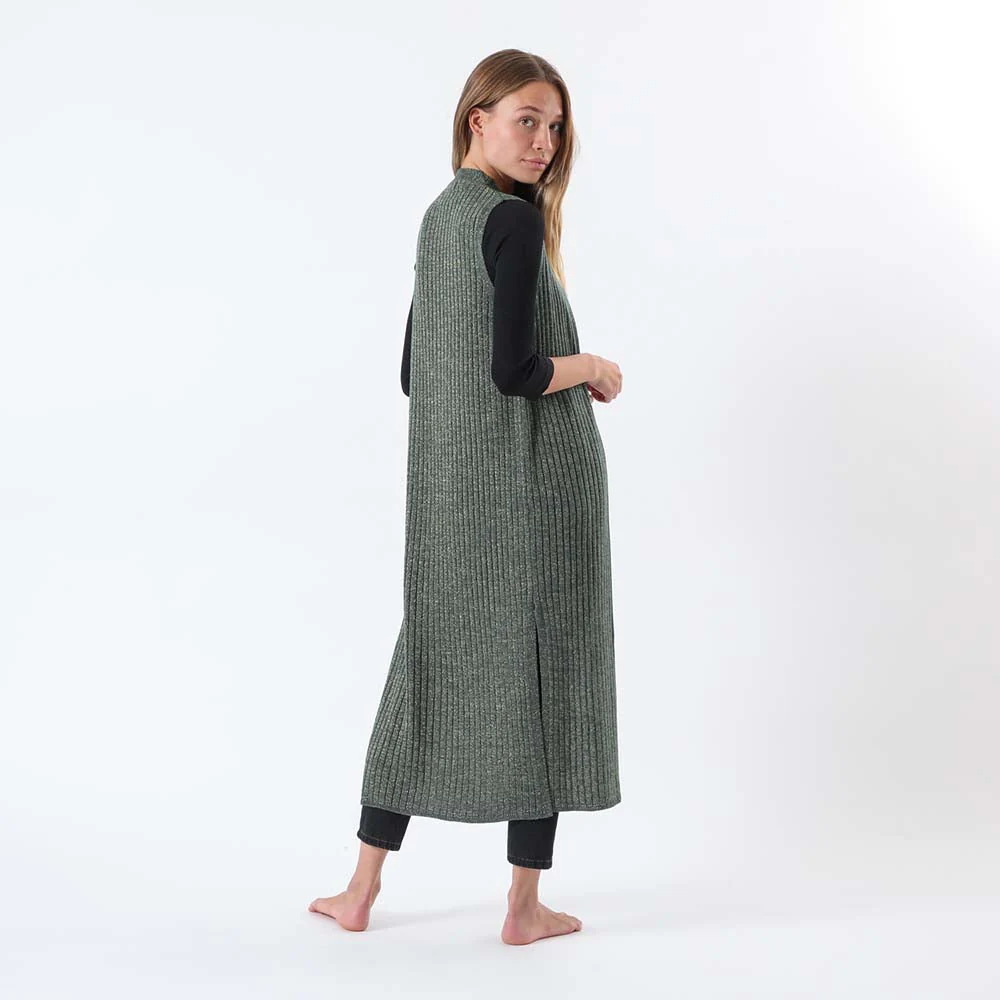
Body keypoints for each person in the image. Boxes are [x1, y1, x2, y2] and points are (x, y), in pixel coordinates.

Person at [308, 49, 623, 945]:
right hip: (537, 490)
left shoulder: (440, 218)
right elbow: (516, 371)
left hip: (451, 497)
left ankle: (360, 891)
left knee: (427, 671)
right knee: (544, 673)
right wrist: (590, 366)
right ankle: (522, 909)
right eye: (527, 120)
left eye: (554, 126)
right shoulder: (512, 223)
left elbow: (416, 372)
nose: (544, 141)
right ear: (476, 120)